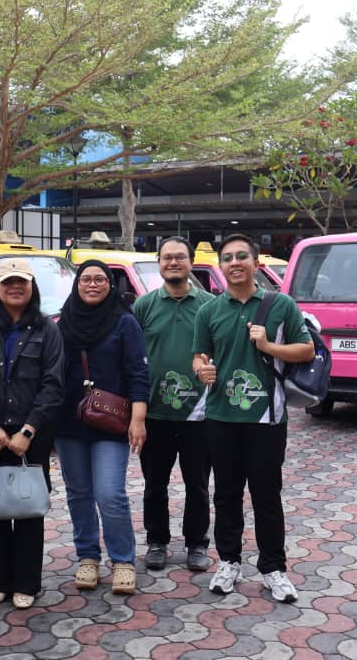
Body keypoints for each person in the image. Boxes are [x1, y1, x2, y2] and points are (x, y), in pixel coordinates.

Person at [191, 233, 313, 604]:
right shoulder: (209, 310)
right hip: (221, 417)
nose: (235, 263)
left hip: (267, 418)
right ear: (221, 266)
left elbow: (306, 350)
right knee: (226, 494)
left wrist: (268, 346)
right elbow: (199, 356)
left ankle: (273, 568)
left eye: (242, 256)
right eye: (227, 258)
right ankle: (229, 561)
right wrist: (201, 370)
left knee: (266, 495)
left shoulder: (281, 304)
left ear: (256, 263)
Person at [0, 258, 64, 609]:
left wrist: (28, 430)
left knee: (28, 507)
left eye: (21, 282)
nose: (15, 288)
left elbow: (53, 385)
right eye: (8, 282)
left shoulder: (47, 329)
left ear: (31, 287)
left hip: (31, 435)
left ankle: (27, 583)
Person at [56, 260, 149, 595]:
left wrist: (138, 419)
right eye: (86, 279)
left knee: (110, 494)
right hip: (69, 422)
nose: (92, 285)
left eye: (100, 279)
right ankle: (87, 556)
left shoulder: (124, 322)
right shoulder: (63, 322)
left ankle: (123, 560)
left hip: (111, 421)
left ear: (110, 284)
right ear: (77, 284)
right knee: (78, 493)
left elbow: (139, 373)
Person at [132, 236, 214, 572]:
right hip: (155, 413)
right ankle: (157, 541)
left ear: (191, 262)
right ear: (159, 263)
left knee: (198, 485)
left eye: (180, 257)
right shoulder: (144, 306)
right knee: (155, 485)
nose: (173, 262)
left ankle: (197, 544)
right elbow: (132, 358)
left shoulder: (210, 306)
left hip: (199, 414)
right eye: (167, 257)